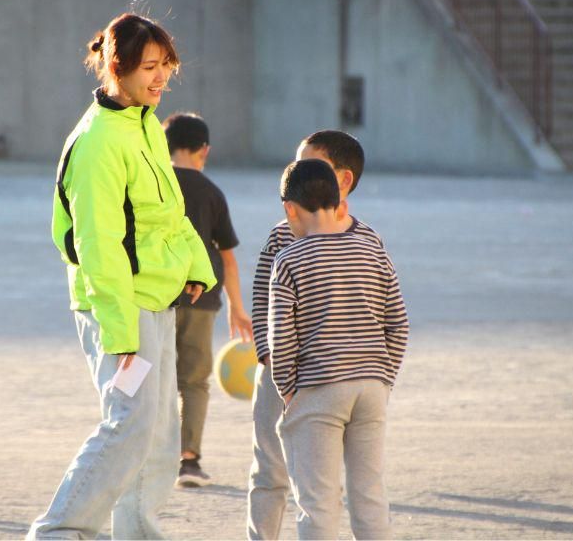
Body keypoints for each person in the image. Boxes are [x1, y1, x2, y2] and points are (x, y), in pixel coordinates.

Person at [28, 13, 217, 540]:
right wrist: (120, 333)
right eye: (149, 67)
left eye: (166, 66)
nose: (161, 78)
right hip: (119, 306)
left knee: (158, 435)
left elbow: (169, 211)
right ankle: (58, 532)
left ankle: (137, 534)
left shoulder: (145, 124)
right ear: (117, 68)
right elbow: (98, 246)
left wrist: (195, 266)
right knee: (128, 424)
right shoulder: (97, 142)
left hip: (156, 298)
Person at [247, 130, 386, 539]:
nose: (297, 171)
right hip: (282, 370)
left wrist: (383, 374)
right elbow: (263, 299)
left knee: (337, 490)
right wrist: (274, 366)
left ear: (343, 180)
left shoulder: (367, 239)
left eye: (309, 165)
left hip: (341, 380)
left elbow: (386, 313)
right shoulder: (282, 234)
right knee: (270, 471)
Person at [268, 159, 409, 539]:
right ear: (338, 201)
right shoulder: (372, 250)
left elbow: (281, 338)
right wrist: (384, 378)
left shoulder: (289, 260)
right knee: (370, 496)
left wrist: (288, 390)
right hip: (371, 387)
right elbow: (398, 324)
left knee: (318, 502)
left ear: (290, 209)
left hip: (319, 389)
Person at [163, 112, 254, 487]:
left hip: (154, 296)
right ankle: (188, 461)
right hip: (201, 300)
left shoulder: (153, 183)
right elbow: (228, 258)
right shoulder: (212, 193)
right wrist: (237, 307)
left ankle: (146, 455)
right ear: (205, 150)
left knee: (151, 376)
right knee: (195, 381)